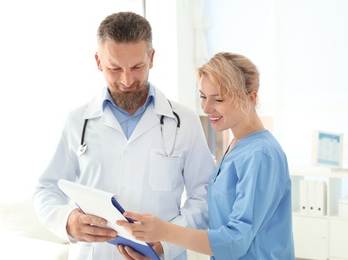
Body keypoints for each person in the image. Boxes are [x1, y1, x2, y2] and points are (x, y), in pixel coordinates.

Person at [32, 11, 216, 260]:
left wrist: (166, 240)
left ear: (151, 58)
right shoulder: (77, 122)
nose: (127, 80)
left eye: (137, 67)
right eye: (115, 68)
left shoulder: (184, 122)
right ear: (98, 62)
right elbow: (47, 188)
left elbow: (204, 195)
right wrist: (68, 221)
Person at [118, 52, 295, 260]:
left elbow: (236, 240)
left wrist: (165, 231)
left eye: (218, 99)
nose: (206, 108)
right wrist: (164, 245)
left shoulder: (261, 155)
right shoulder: (236, 146)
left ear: (251, 97)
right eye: (202, 96)